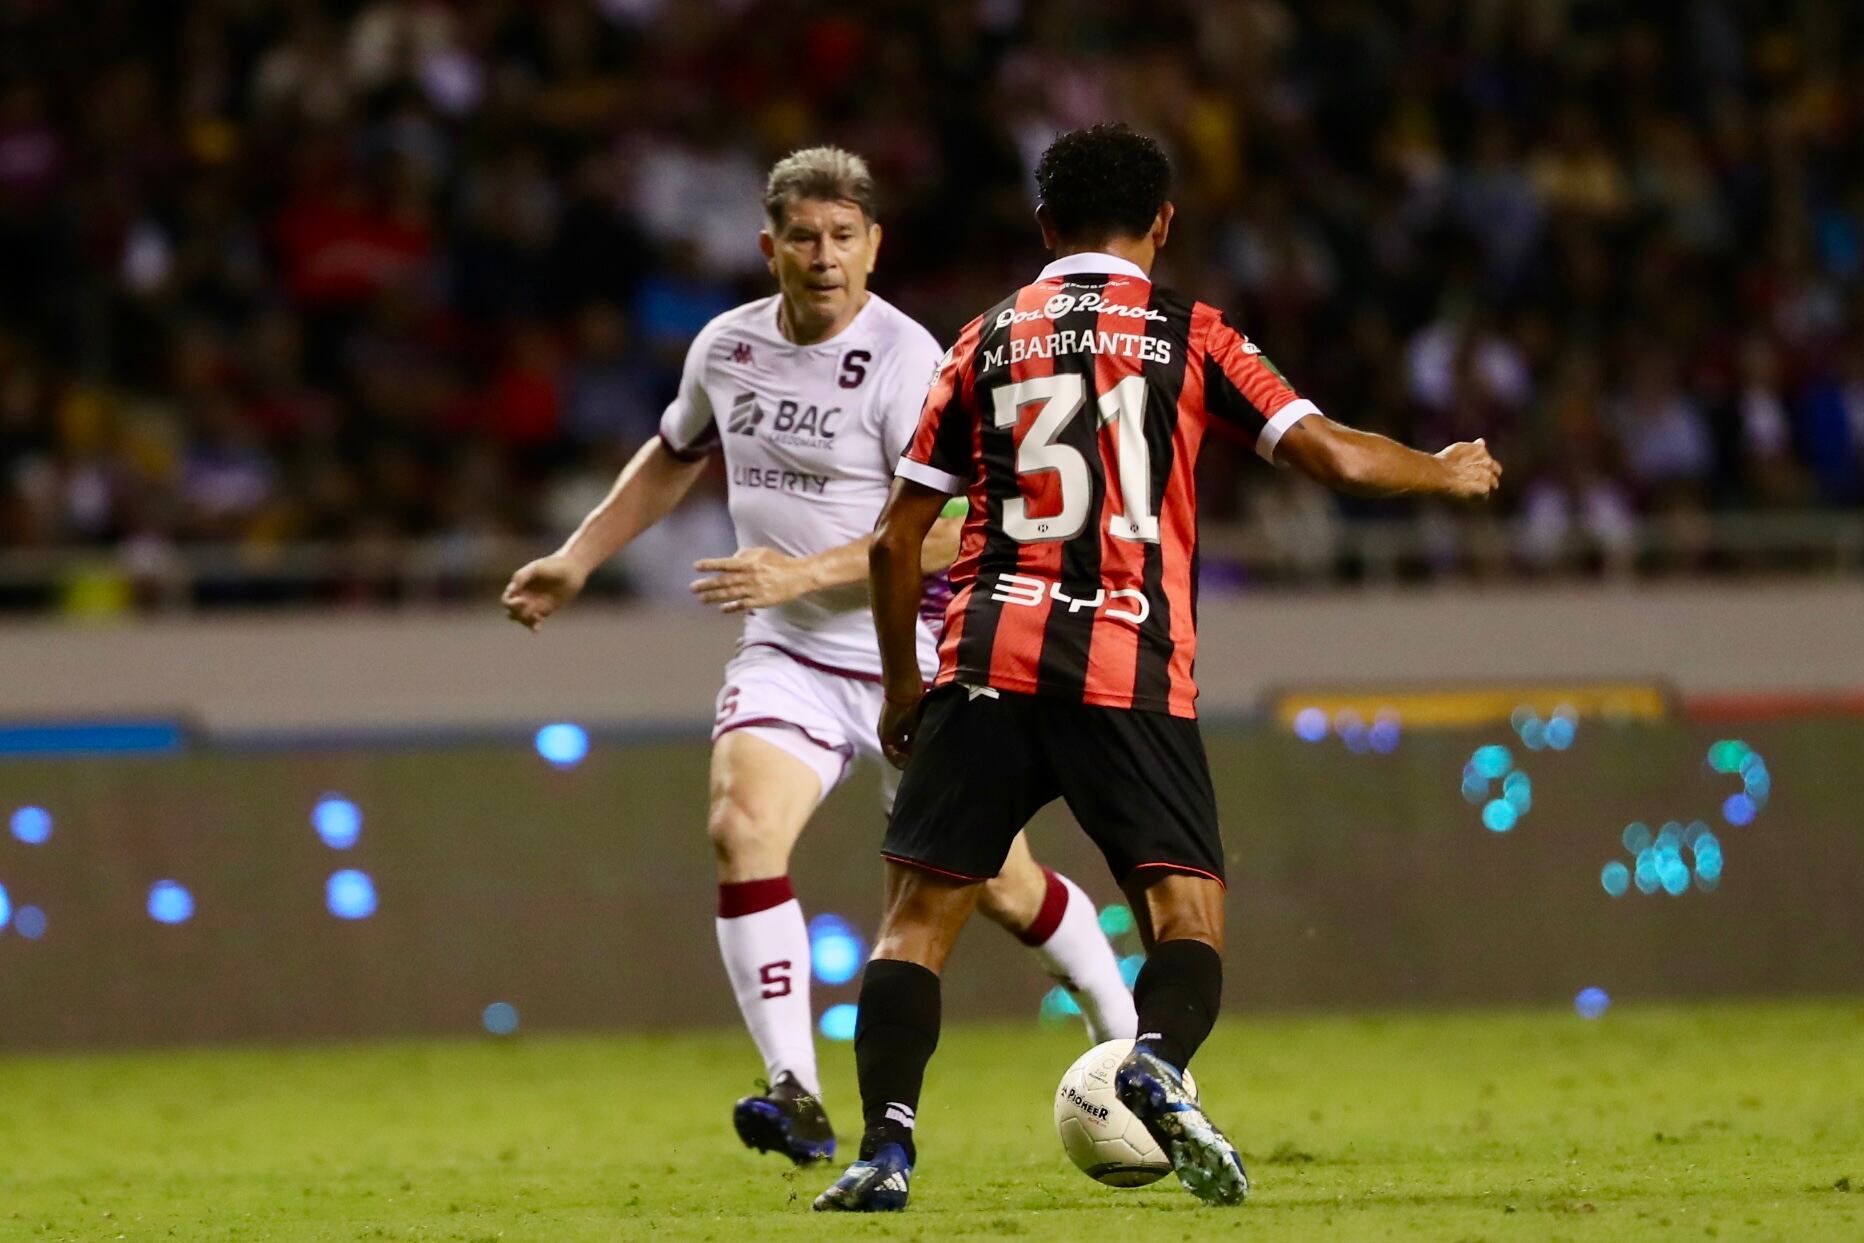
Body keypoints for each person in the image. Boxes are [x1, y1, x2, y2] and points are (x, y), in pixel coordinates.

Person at [815, 124, 1503, 1212]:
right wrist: (1441, 471)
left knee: (916, 920)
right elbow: (1326, 453)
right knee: (1184, 918)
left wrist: (904, 687)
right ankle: (1156, 1061)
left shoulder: (983, 339)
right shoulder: (1192, 333)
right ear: (1163, 224)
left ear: (1043, 225)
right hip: (1129, 665)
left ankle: (884, 1151)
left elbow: (894, 541)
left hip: (989, 657)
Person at [501, 147, 1135, 1168]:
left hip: (914, 654)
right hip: (787, 658)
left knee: (1002, 888)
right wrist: (578, 559)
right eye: (804, 237)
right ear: (770, 247)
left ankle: (1129, 1039)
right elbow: (673, 454)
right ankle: (793, 1089)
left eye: (845, 237)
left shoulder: (908, 360)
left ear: (875, 246)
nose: (825, 256)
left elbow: (951, 528)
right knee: (738, 824)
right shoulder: (726, 348)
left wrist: (798, 574)